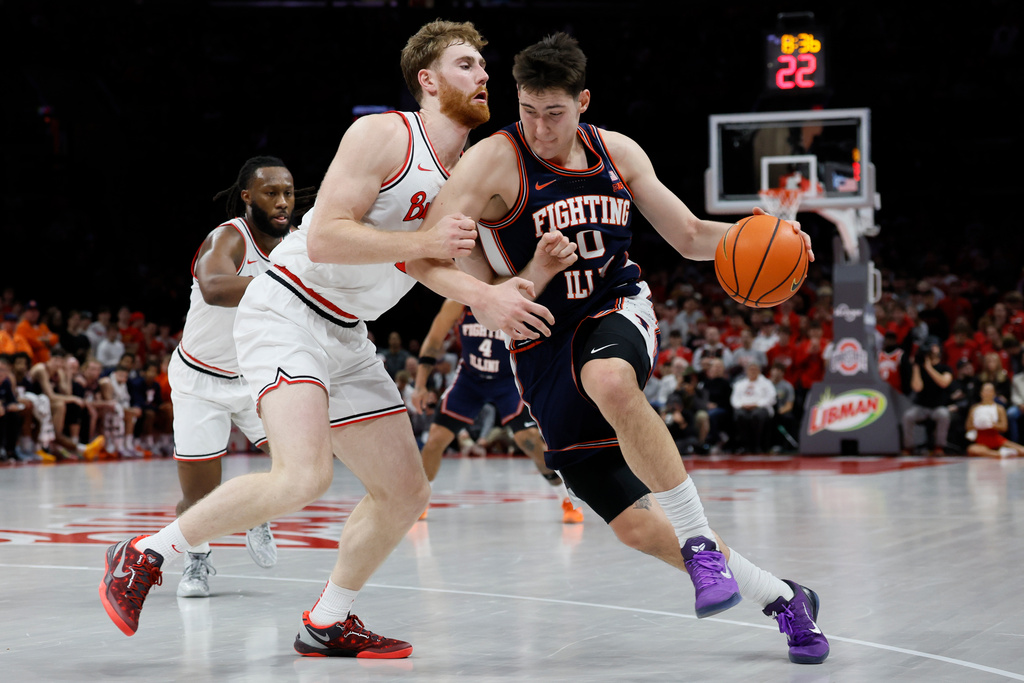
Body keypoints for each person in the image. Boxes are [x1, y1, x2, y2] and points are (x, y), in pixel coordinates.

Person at [99, 20, 553, 659]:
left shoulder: (473, 173)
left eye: (484, 66)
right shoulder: (384, 134)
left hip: (346, 334)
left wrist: (531, 277)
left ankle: (327, 620)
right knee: (303, 475)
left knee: (405, 490)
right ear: (427, 80)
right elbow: (324, 238)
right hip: (286, 308)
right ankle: (144, 554)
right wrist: (423, 243)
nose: (483, 76)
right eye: (466, 65)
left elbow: (474, 277)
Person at [416, 32, 827, 664]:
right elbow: (431, 252)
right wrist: (511, 280)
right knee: (635, 525)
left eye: (553, 113)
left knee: (612, 380)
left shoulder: (617, 152)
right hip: (540, 342)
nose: (539, 128)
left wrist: (766, 236)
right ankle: (784, 597)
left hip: (615, 309)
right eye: (527, 110)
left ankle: (700, 545)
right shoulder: (495, 160)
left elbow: (690, 235)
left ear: (583, 102)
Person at [163, 156, 312, 597]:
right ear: (247, 197)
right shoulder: (228, 238)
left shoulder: (294, 246)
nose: (283, 202)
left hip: (254, 378)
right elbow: (215, 288)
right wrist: (288, 287)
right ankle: (197, 560)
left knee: (300, 466)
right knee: (199, 499)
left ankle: (254, 511)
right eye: (271, 193)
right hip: (199, 381)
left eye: (287, 192)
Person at [411, 298, 582, 523]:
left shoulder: (511, 297)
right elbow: (434, 340)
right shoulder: (458, 300)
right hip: (470, 378)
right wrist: (420, 385)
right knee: (435, 439)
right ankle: (419, 503)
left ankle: (566, 499)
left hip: (508, 379)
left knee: (529, 440)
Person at [901, 339, 953, 454]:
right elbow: (917, 387)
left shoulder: (945, 368)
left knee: (944, 415)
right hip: (922, 406)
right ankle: (909, 447)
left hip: (938, 406)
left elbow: (943, 382)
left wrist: (929, 367)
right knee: (908, 416)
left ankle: (939, 446)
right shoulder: (919, 368)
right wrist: (916, 367)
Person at [965, 382, 1024, 457]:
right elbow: (968, 427)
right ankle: (999, 454)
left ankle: (1004, 452)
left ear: (994, 393)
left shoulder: (999, 408)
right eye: (985, 391)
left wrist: (991, 424)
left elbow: (1004, 427)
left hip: (996, 439)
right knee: (972, 449)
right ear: (981, 393)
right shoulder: (974, 408)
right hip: (981, 441)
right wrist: (979, 424)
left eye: (990, 391)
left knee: (1022, 450)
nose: (987, 393)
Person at [730, 362, 776, 454]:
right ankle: (745, 445)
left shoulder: (766, 383)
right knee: (739, 415)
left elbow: (771, 397)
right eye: (750, 369)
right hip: (743, 407)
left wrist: (757, 404)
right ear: (746, 371)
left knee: (756, 415)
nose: (752, 371)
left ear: (759, 371)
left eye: (755, 369)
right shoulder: (740, 384)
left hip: (761, 407)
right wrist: (742, 405)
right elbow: (734, 399)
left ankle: (757, 445)